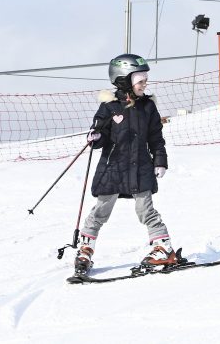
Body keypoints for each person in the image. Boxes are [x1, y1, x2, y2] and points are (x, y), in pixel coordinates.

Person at [73, 54, 175, 275]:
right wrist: (96, 137)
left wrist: (160, 160)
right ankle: (85, 249)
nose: (144, 84)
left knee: (145, 209)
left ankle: (163, 248)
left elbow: (156, 138)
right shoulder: (109, 107)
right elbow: (100, 134)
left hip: (140, 168)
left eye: (145, 79)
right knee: (101, 210)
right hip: (113, 169)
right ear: (124, 80)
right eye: (140, 79)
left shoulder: (148, 107)